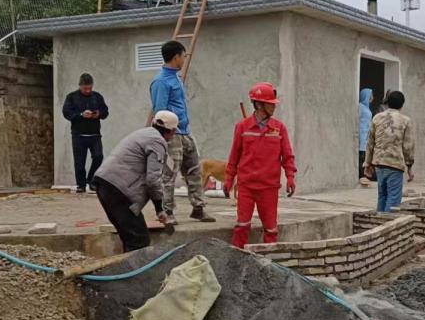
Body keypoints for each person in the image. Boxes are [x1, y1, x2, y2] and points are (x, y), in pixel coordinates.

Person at [91, 111, 178, 252]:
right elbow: (153, 180)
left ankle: (125, 264)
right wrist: (159, 208)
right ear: (172, 131)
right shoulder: (158, 142)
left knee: (129, 236)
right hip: (119, 190)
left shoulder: (142, 133)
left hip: (104, 184)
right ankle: (134, 266)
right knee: (139, 241)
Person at [149, 40, 214, 224]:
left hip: (185, 132)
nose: (184, 59)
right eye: (183, 56)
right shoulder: (161, 81)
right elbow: (160, 111)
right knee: (169, 175)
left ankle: (198, 208)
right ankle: (167, 212)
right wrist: (167, 134)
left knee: (194, 171)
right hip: (172, 134)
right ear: (176, 57)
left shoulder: (176, 78)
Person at [225, 82, 297, 249]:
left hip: (269, 188)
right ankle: (236, 257)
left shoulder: (279, 129)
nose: (274, 107)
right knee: (242, 226)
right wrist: (229, 179)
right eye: (270, 104)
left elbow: (287, 156)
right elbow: (234, 156)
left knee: (271, 230)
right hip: (246, 186)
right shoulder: (242, 127)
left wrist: (290, 177)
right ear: (258, 105)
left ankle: (269, 260)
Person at [364, 90, 415, 213]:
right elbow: (408, 146)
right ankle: (388, 223)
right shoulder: (405, 120)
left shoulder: (377, 117)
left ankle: (379, 221)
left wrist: (367, 163)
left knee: (382, 196)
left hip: (379, 163)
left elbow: (370, 142)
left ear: (387, 103)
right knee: (393, 198)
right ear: (402, 105)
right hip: (395, 164)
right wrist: (409, 166)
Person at [62, 73, 109, 193]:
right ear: (80, 86)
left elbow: (105, 111)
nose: (88, 91)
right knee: (79, 162)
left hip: (95, 134)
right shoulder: (71, 97)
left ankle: (92, 180)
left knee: (98, 157)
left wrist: (98, 114)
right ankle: (81, 185)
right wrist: (81, 115)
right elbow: (66, 112)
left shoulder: (97, 97)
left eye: (90, 88)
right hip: (78, 135)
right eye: (85, 88)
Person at [358, 88, 374, 182]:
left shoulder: (366, 108)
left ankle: (365, 176)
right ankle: (362, 177)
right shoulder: (360, 106)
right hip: (362, 134)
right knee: (362, 156)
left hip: (367, 135)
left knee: (366, 156)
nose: (372, 97)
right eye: (370, 95)